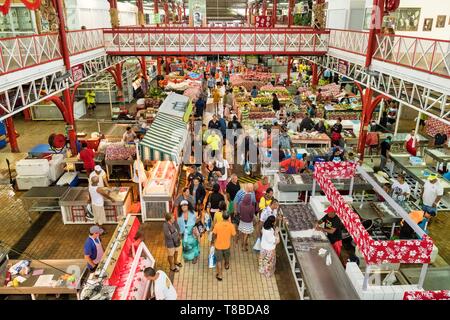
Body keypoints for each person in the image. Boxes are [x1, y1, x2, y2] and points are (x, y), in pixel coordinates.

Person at [212, 211, 236, 281]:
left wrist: (212, 242)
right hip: (227, 246)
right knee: (227, 257)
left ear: (222, 217)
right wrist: (235, 243)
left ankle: (220, 275)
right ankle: (226, 265)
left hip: (218, 246)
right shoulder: (231, 225)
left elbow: (214, 235)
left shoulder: (217, 225)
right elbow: (234, 235)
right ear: (228, 217)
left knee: (219, 261)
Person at [237, 185, 257, 251]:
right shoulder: (251, 207)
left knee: (243, 233)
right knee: (246, 234)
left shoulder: (241, 205)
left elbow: (239, 212)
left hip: (242, 221)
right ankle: (243, 245)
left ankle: (243, 242)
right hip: (248, 222)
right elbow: (252, 215)